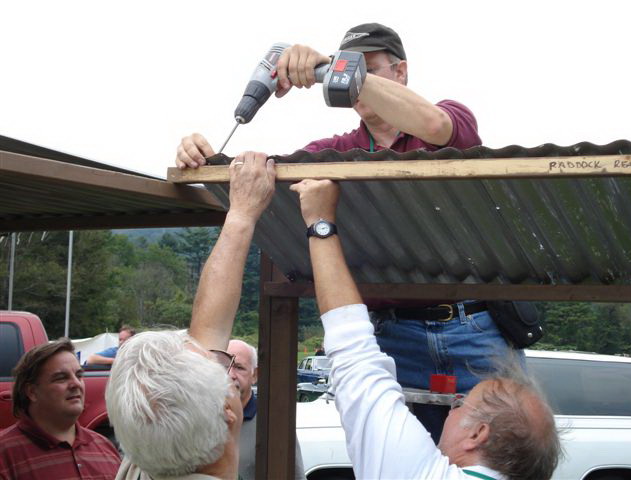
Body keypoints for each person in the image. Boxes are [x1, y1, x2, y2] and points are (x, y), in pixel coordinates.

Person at [175, 22, 516, 442]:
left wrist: (329, 64)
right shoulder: (333, 153)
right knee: (387, 457)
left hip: (473, 328)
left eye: (365, 69)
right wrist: (206, 158)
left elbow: (433, 124)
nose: (349, 77)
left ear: (401, 73)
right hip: (389, 334)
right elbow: (261, 176)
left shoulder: (449, 119)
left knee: (500, 452)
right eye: (344, 70)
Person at [290, 178, 562, 480]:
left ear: (478, 434)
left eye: (460, 402)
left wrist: (320, 221)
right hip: (405, 322)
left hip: (466, 318)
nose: (451, 406)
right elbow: (353, 359)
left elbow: (354, 352)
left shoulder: (414, 473)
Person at [106, 152, 276, 480]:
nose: (217, 356)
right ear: (227, 413)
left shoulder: (140, 464)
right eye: (216, 365)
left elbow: (209, 325)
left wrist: (241, 214)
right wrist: (241, 213)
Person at [0, 339, 121, 479]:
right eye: (61, 378)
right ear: (32, 392)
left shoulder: (104, 447)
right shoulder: (5, 454)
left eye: (79, 375)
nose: (76, 384)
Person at [228, 339, 305, 480]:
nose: (231, 375)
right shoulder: (203, 419)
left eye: (239, 367)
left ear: (255, 375)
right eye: (225, 366)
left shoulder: (273, 424)